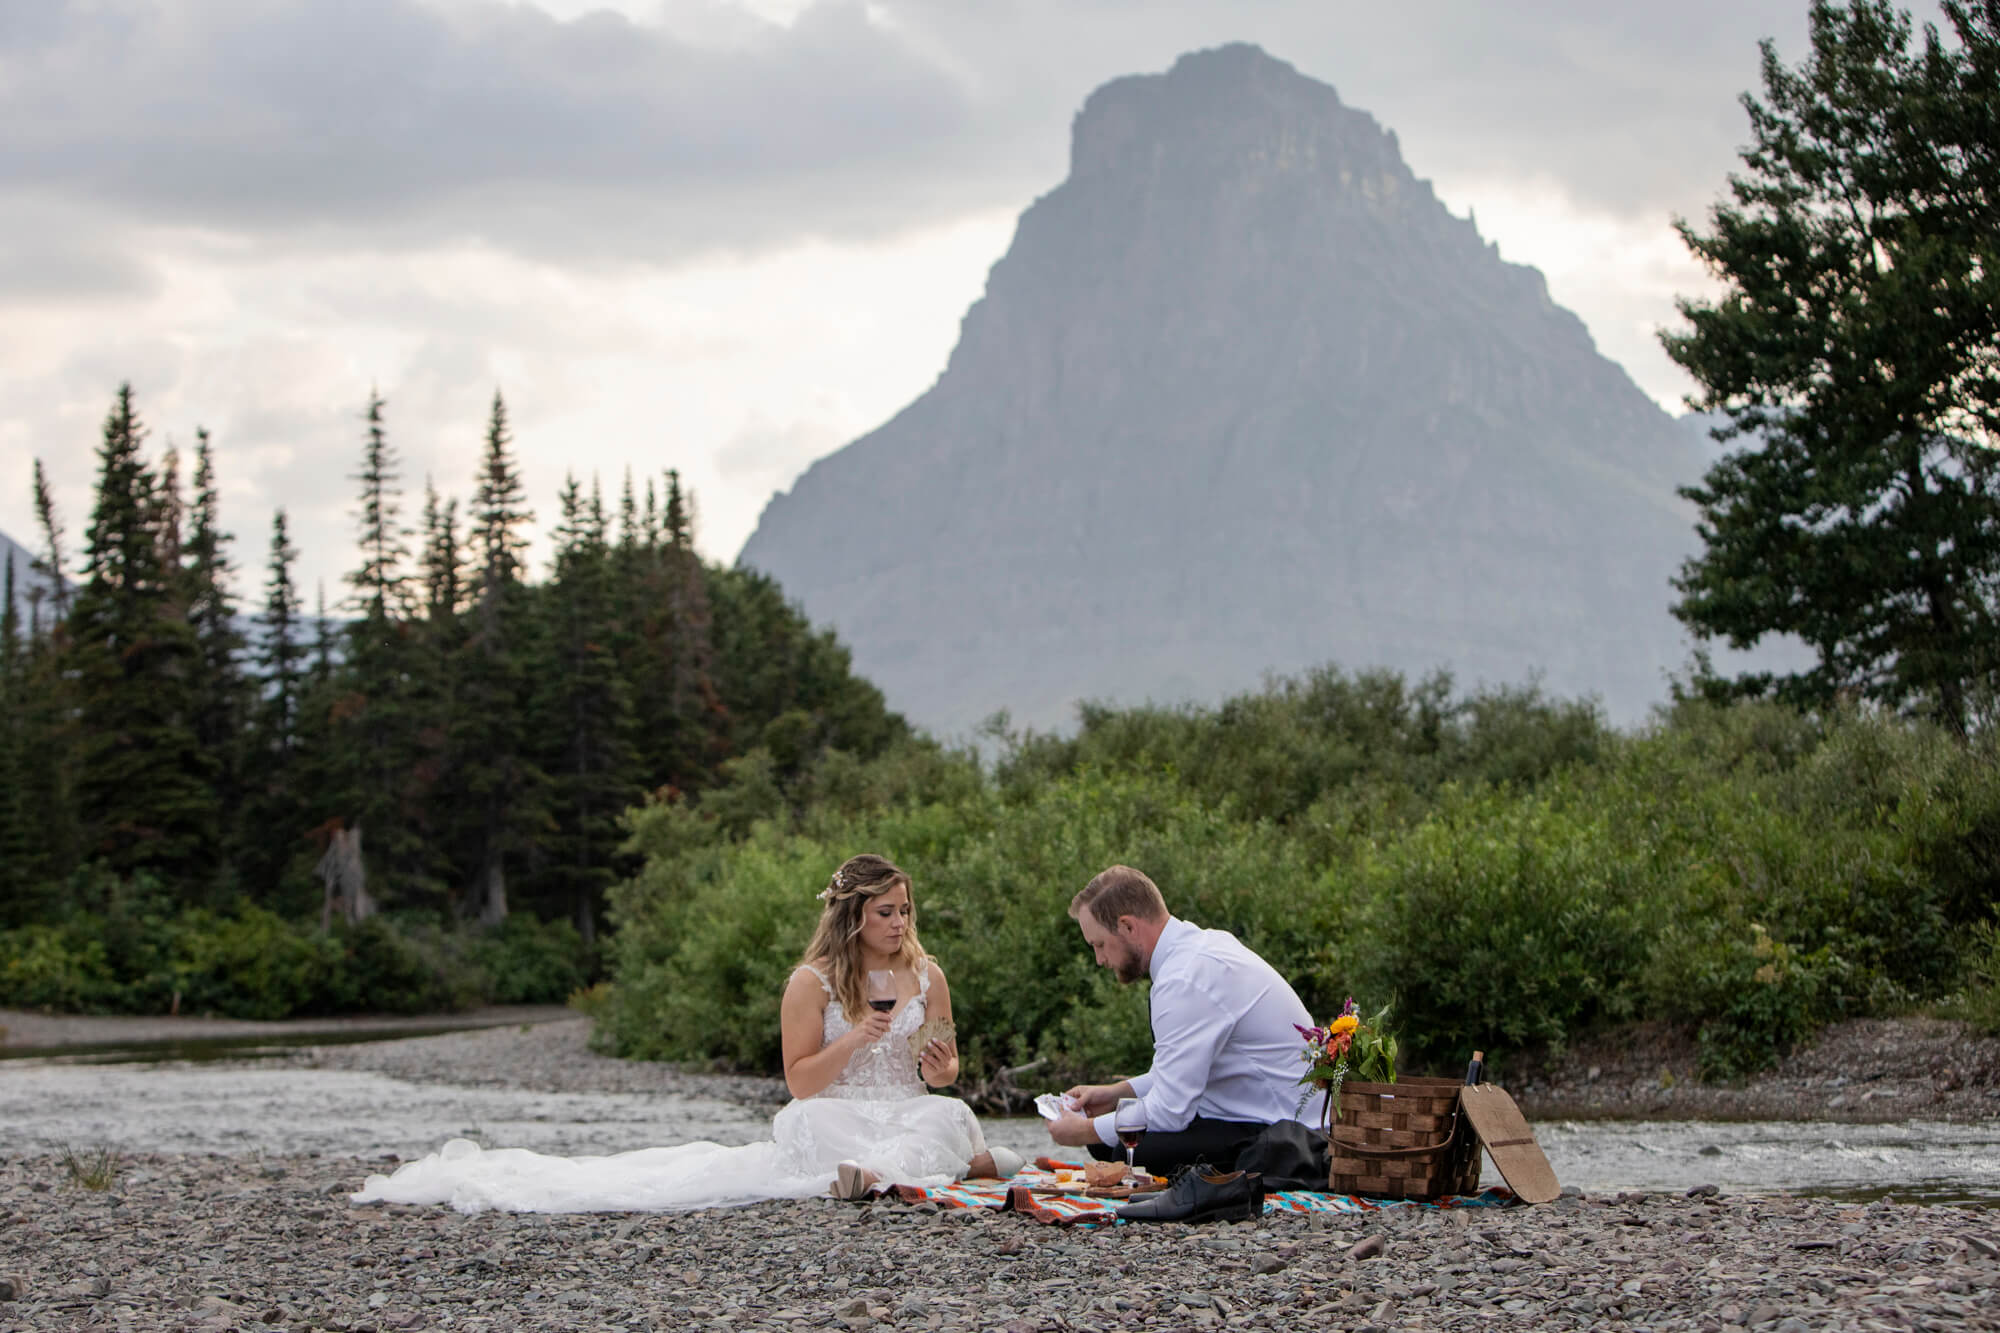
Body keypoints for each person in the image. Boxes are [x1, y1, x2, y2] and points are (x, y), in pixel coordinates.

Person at [352, 854, 1020, 1213]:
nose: (900, 923)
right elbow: (800, 1082)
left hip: (905, 1104)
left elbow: (944, 1069)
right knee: (814, 1124)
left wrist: (941, 1066)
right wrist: (854, 1038)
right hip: (839, 1108)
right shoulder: (810, 983)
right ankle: (900, 1171)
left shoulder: (927, 974)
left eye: (905, 910)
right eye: (886, 912)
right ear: (853, 917)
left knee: (944, 1114)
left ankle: (884, 1173)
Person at [1046, 864, 1316, 1177]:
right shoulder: (1198, 949)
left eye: (1100, 944)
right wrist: (1114, 1094)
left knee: (1129, 1150)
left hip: (1285, 1131)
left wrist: (1082, 1130)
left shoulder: (1184, 979)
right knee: (1110, 1143)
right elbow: (1176, 1073)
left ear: (1128, 926)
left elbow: (1170, 1111)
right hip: (1266, 1114)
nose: (1099, 960)